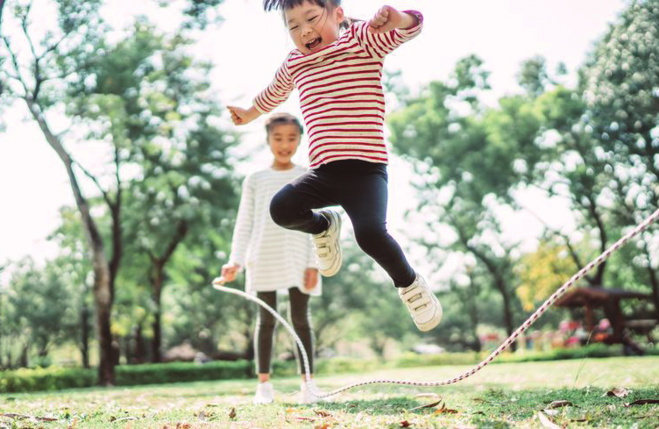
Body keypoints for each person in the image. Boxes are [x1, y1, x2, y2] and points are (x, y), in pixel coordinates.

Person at [227, 0, 442, 332]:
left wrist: (395, 18)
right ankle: (323, 226)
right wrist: (249, 113)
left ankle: (410, 284)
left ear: (338, 15)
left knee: (370, 234)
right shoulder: (296, 62)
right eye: (293, 26)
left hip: (366, 170)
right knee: (282, 208)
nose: (304, 30)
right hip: (324, 172)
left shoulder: (361, 39)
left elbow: (412, 26)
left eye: (311, 18)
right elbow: (275, 93)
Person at [218, 113, 321, 404]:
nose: (285, 144)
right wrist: (235, 260)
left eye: (291, 138)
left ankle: (308, 385)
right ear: (267, 140)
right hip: (262, 255)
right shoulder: (255, 179)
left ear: (301, 139)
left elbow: (318, 221)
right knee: (266, 320)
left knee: (301, 319)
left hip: (299, 255)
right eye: (278, 138)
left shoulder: (308, 175)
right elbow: (245, 222)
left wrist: (315, 262)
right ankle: (264, 386)